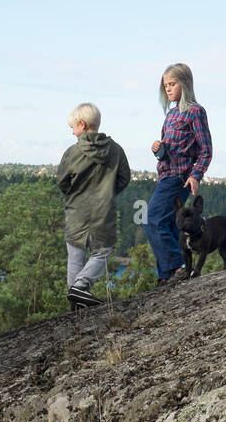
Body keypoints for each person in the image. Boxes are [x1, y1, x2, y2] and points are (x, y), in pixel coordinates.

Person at [56, 103, 131, 311]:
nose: (72, 132)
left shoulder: (72, 152)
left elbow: (62, 181)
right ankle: (81, 288)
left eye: (72, 127)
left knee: (75, 256)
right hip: (103, 211)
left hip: (75, 212)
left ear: (82, 124)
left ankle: (77, 296)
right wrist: (107, 193)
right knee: (102, 252)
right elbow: (124, 178)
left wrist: (75, 194)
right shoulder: (115, 150)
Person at [147, 63, 213, 284]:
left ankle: (177, 267)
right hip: (165, 175)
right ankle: (166, 276)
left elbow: (205, 150)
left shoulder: (195, 111)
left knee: (153, 219)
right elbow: (170, 151)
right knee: (165, 223)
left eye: (172, 84)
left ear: (185, 84)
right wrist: (159, 149)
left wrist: (196, 175)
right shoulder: (171, 115)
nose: (168, 88)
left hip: (179, 178)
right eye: (165, 85)